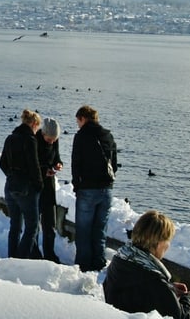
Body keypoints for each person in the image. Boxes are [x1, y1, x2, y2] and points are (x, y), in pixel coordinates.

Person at [103, 210, 190, 318]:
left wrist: (169, 288)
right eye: (168, 240)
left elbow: (136, 290)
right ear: (159, 244)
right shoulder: (153, 280)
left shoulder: (120, 261)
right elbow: (181, 317)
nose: (168, 246)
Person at [71, 104, 118, 272]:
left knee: (83, 231)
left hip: (87, 189)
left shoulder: (81, 137)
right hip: (107, 190)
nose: (78, 124)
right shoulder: (108, 136)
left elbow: (75, 164)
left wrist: (77, 185)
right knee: (100, 230)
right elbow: (114, 164)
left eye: (78, 121)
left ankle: (83, 267)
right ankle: (98, 264)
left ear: (83, 118)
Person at [0, 109, 43, 259]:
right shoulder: (30, 139)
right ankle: (21, 258)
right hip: (26, 188)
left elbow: (2, 163)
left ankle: (12, 256)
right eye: (38, 127)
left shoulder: (10, 138)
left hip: (10, 185)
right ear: (34, 124)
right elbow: (34, 165)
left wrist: (12, 175)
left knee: (15, 225)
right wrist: (38, 184)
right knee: (32, 227)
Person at [35, 117, 63, 263]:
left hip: (49, 187)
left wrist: (58, 164)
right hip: (36, 186)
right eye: (49, 139)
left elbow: (56, 157)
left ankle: (50, 254)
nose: (51, 142)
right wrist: (44, 170)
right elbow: (32, 163)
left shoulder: (54, 141)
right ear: (43, 134)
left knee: (50, 224)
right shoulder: (35, 140)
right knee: (34, 224)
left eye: (54, 139)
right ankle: (34, 253)